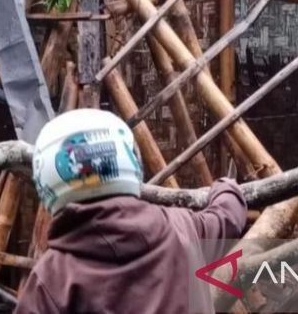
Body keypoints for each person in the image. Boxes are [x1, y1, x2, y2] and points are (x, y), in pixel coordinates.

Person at [17, 108, 248, 314]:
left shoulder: (52, 281)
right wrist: (226, 187)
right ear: (129, 159)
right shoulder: (183, 228)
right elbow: (227, 217)